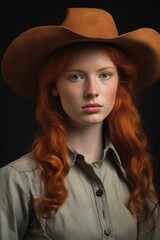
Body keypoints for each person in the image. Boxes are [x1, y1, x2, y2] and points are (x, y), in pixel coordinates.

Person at [0, 7, 160, 240]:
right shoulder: (18, 180)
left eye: (104, 75)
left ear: (120, 83)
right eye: (76, 76)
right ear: (54, 86)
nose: (92, 91)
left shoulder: (138, 181)